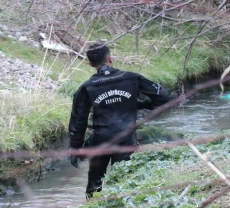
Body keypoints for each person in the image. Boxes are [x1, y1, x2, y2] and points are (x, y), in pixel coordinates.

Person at [68, 43, 171, 198]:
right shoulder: (132, 78)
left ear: (90, 64)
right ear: (110, 58)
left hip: (100, 140)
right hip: (126, 139)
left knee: (95, 183)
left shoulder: (87, 87)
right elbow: (163, 96)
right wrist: (140, 105)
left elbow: (78, 121)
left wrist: (75, 149)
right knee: (124, 181)